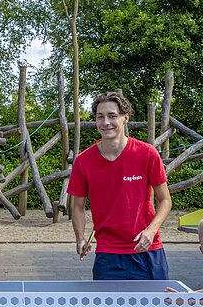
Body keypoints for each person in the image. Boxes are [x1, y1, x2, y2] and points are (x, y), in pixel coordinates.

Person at [68, 90, 172, 280]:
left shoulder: (147, 154)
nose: (105, 122)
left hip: (147, 249)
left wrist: (151, 230)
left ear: (125, 118)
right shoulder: (83, 161)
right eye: (100, 117)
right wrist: (80, 236)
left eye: (112, 116)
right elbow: (78, 206)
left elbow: (165, 200)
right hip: (108, 254)